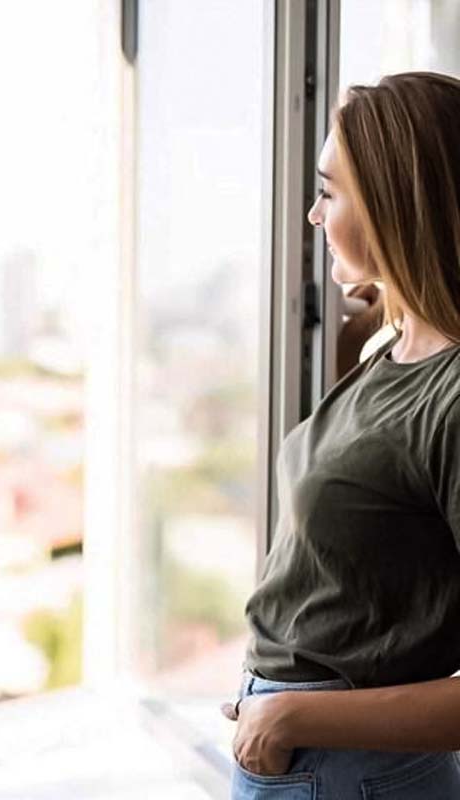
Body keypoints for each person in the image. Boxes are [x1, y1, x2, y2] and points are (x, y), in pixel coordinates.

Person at [222, 71, 460, 799]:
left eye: (329, 191)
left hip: (350, 770)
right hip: (313, 757)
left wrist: (292, 716)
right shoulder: (387, 346)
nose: (311, 215)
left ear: (397, 205)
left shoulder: (451, 394)